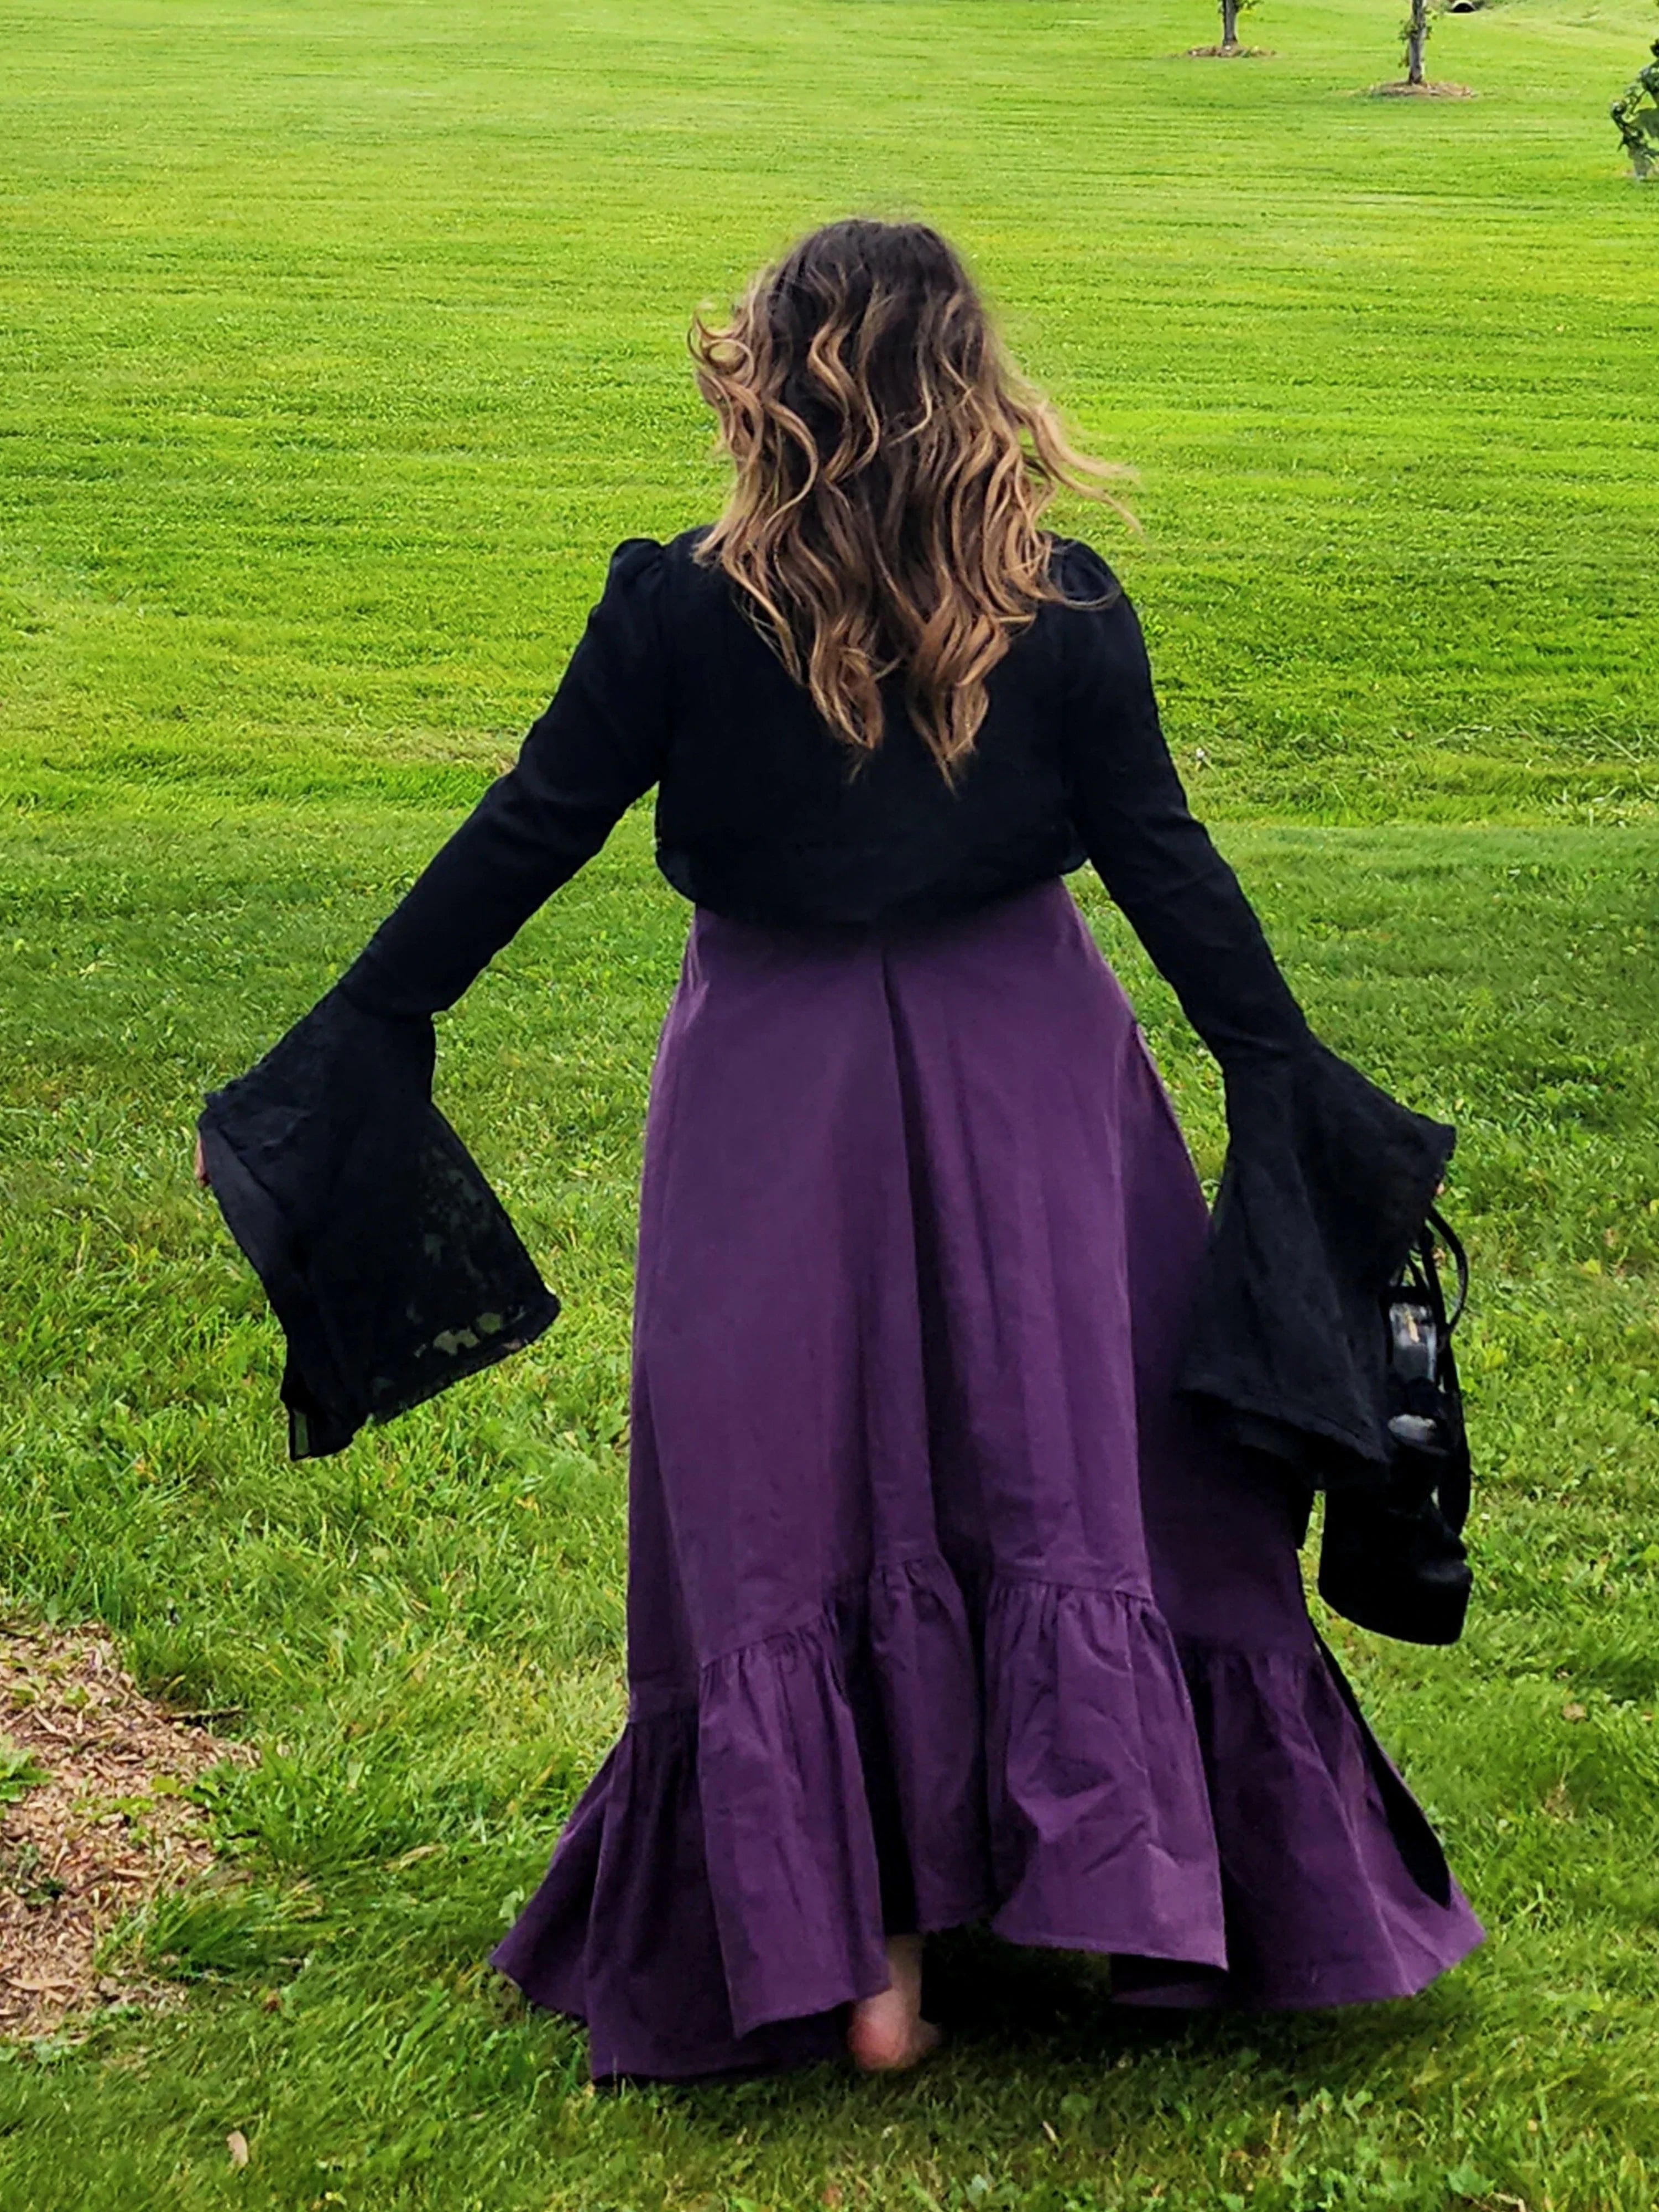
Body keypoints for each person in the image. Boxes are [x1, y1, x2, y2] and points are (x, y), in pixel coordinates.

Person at [196, 218, 1482, 2081]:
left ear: (771, 383)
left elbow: (525, 830)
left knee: (794, 1488)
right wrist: (1278, 1069)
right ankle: (1128, 1898)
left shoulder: (678, 610)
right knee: (1066, 1465)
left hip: (768, 1092)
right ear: (977, 389)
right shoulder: (1064, 613)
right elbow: (1166, 866)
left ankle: (867, 1959)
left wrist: (373, 1024)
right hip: (1034, 1082)